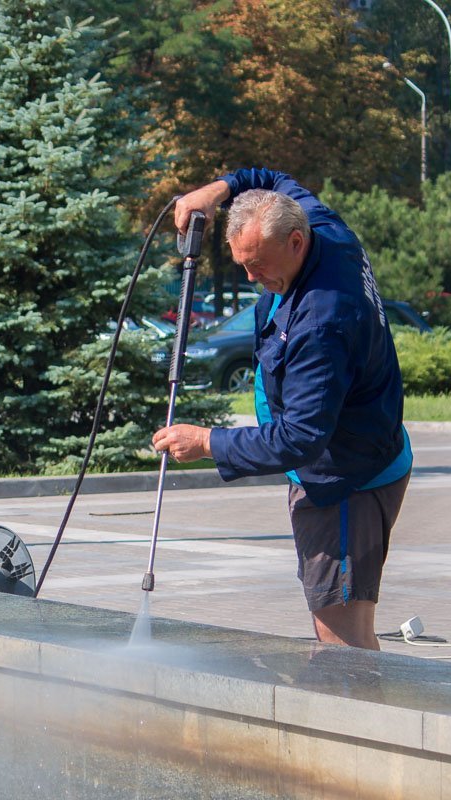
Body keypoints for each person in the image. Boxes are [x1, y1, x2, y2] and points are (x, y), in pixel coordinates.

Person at [152, 168, 411, 650]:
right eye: (243, 266)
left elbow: (300, 438)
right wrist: (215, 191)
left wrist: (208, 441)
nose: (253, 279)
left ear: (295, 242)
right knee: (336, 625)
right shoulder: (319, 225)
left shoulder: (322, 322)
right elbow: (269, 176)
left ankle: (353, 719)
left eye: (259, 265)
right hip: (348, 462)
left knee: (343, 639)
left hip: (346, 483)